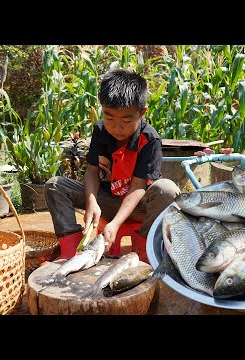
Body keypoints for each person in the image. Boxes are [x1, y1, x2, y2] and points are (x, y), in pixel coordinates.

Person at [44, 68, 180, 264]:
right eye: (109, 118)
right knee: (55, 185)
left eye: (126, 120)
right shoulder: (101, 130)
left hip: (139, 207)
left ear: (142, 113)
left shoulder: (149, 139)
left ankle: (144, 252)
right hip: (108, 201)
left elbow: (138, 187)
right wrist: (92, 203)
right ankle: (71, 252)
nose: (116, 127)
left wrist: (115, 224)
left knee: (167, 190)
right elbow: (92, 171)